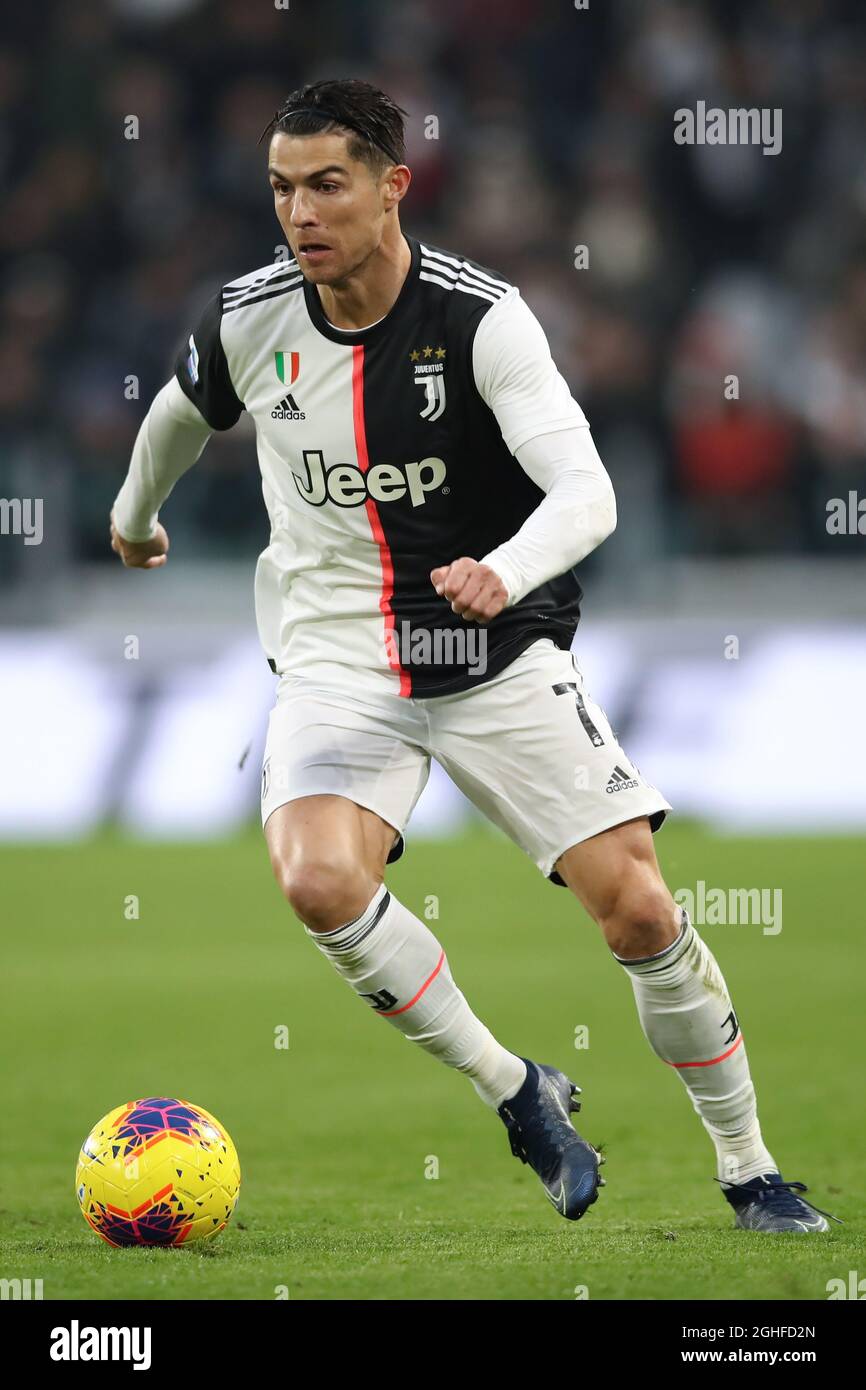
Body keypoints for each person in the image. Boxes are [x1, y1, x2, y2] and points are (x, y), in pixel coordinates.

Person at [110, 78, 834, 1233]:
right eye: (281, 188)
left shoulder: (480, 318)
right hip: (339, 657)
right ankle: (517, 1092)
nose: (299, 213)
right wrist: (135, 516)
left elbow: (585, 491)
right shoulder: (246, 317)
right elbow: (180, 413)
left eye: (327, 185)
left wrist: (504, 568)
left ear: (394, 187)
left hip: (494, 651)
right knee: (317, 879)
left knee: (640, 914)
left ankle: (747, 1168)